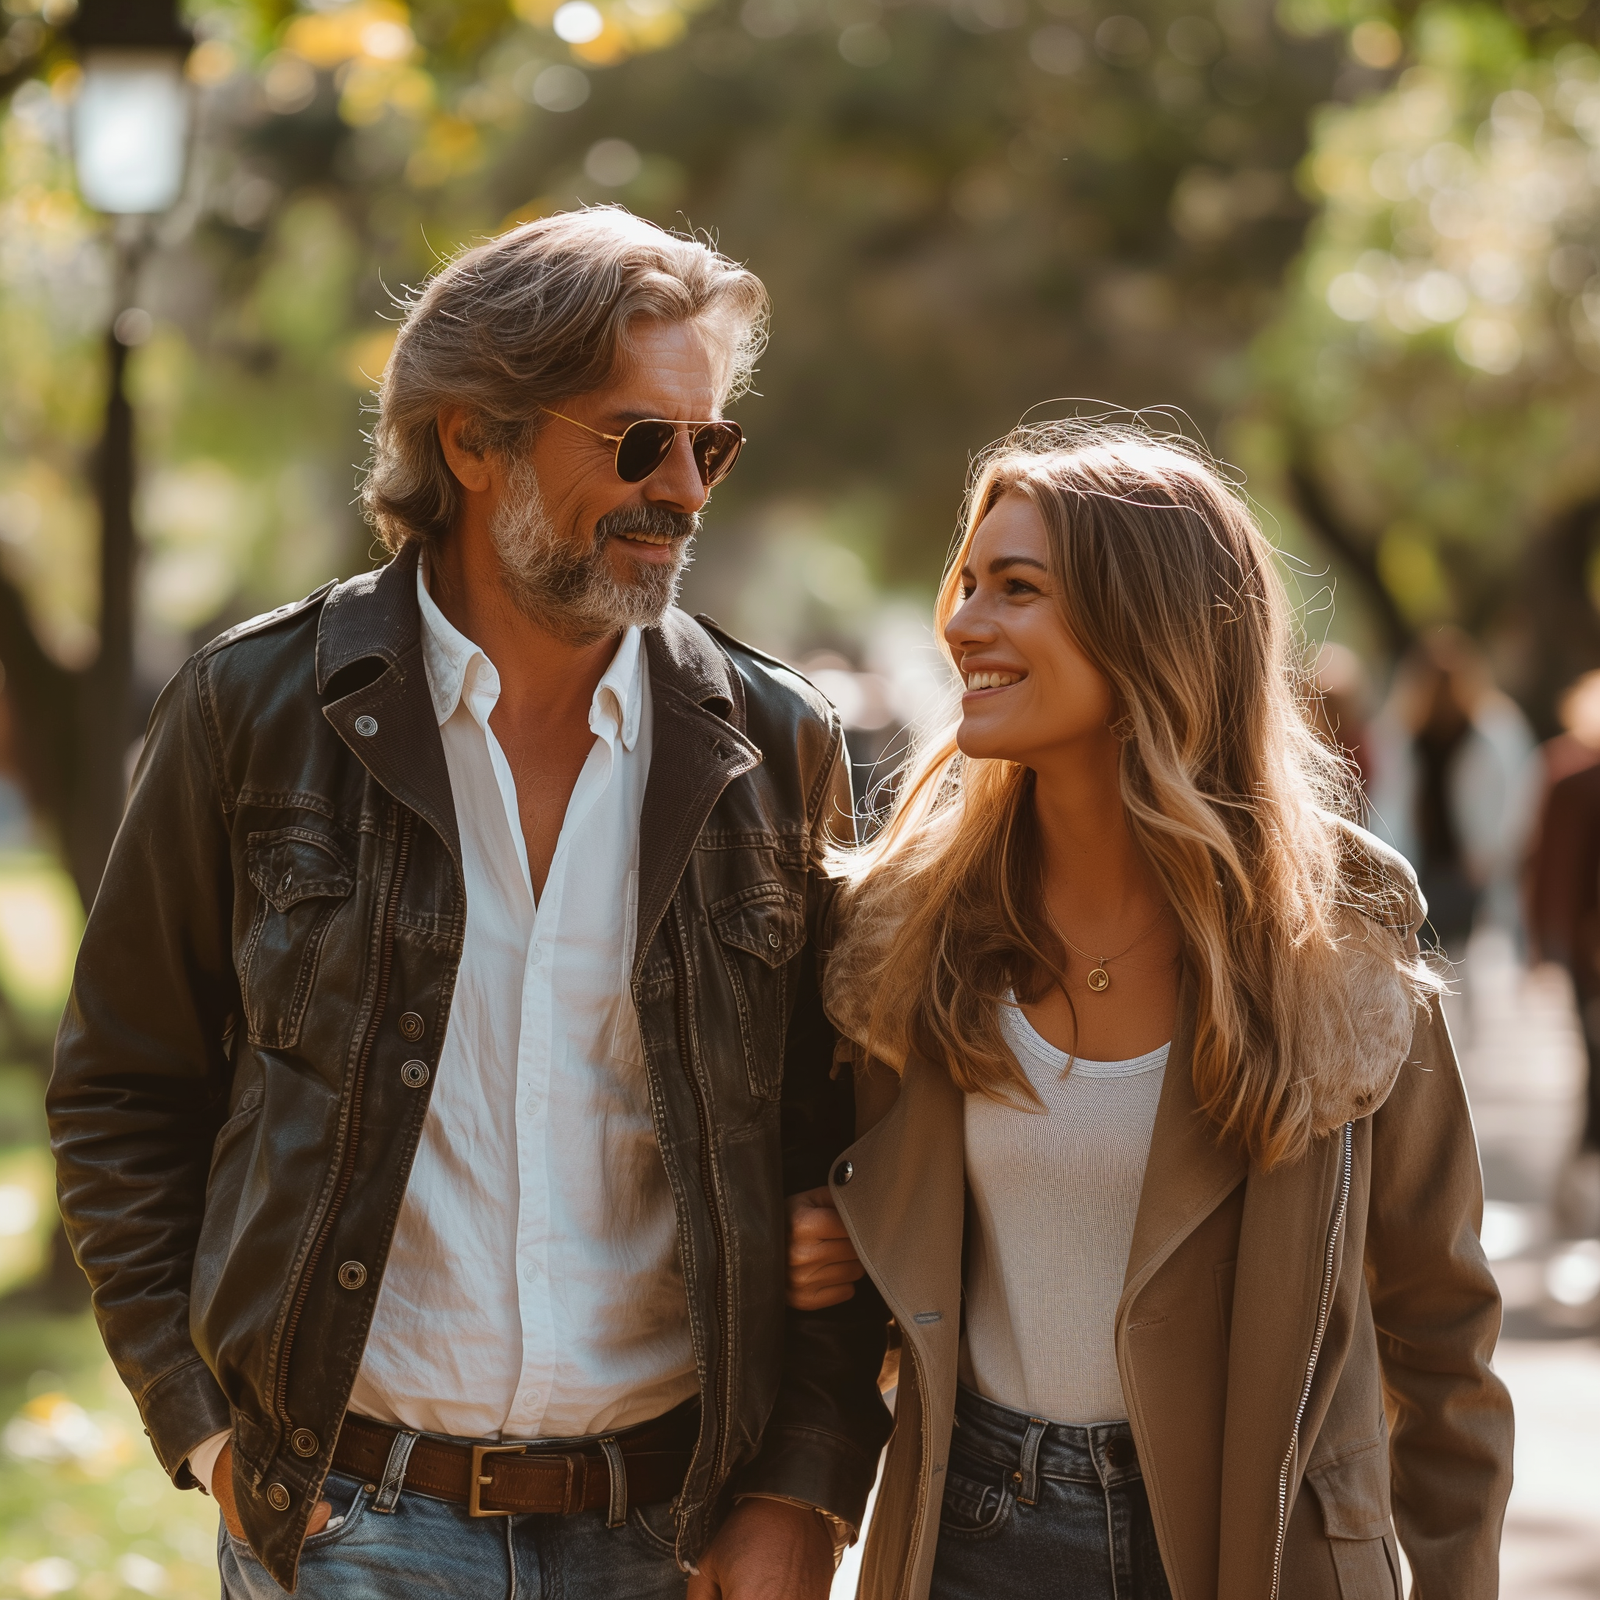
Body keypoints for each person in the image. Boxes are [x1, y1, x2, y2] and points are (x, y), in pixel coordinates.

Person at [47, 210, 889, 1600]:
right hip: (348, 1529)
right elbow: (124, 1093)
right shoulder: (256, 713)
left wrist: (804, 1481)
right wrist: (201, 1436)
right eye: (637, 440)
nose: (683, 486)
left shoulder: (772, 744)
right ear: (470, 440)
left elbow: (834, 1146)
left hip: (666, 1535)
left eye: (709, 444)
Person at [787, 424, 1511, 1600]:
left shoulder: (1338, 943)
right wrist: (825, 1236)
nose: (963, 622)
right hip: (970, 1536)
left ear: (1150, 627)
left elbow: (1444, 1338)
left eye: (1016, 588)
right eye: (966, 583)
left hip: (1258, 1551)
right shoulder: (907, 933)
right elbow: (872, 1234)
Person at [1528, 668, 1600, 1236]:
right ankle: (1575, 1182)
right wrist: (1545, 946)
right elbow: (1551, 869)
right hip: (1588, 950)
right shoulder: (1571, 778)